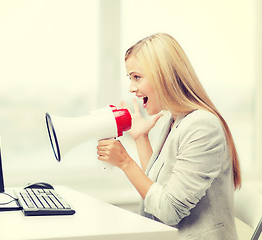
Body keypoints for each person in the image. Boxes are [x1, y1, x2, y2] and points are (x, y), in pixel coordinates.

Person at [97, 33, 241, 239]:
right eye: (130, 78)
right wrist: (141, 138)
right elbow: (158, 186)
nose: (131, 87)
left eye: (137, 77)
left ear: (162, 75)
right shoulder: (171, 119)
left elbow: (169, 210)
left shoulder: (202, 126)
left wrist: (125, 162)